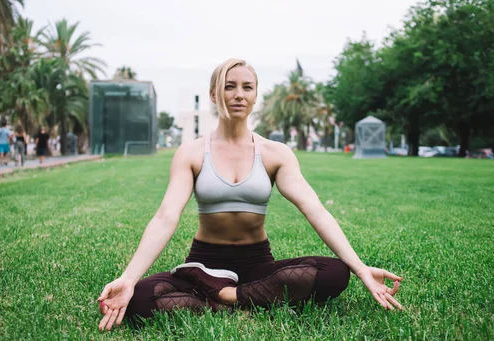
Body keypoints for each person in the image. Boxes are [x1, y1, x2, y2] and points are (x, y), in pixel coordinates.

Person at [97, 59, 404, 332]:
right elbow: (166, 216)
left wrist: (361, 268)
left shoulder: (275, 153)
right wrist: (128, 278)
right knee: (137, 300)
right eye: (229, 87)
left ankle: (223, 296)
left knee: (335, 273)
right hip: (204, 265)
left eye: (247, 87)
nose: (238, 95)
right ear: (214, 95)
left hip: (258, 264)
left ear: (256, 96)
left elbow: (315, 209)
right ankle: (243, 297)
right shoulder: (191, 153)